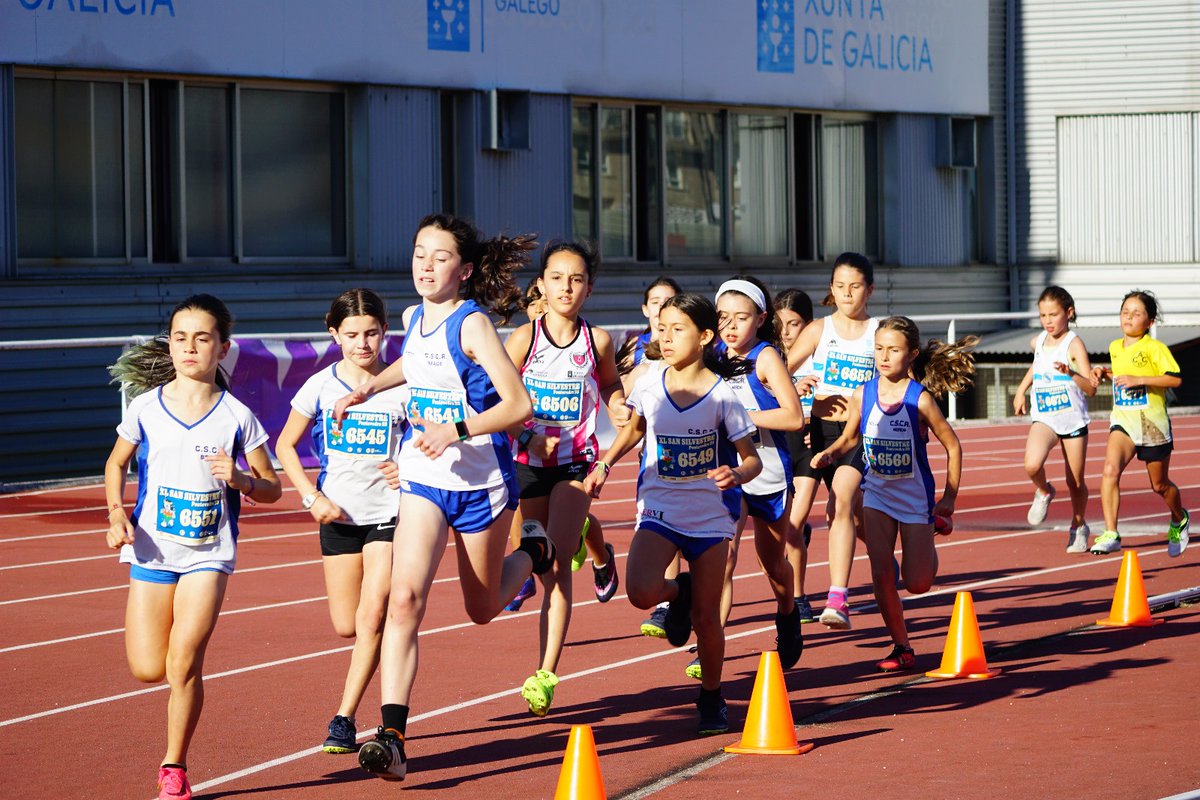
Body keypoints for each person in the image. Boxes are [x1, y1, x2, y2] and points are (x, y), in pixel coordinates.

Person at [333, 214, 555, 782]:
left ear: (466, 269)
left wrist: (456, 429)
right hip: (423, 477)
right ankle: (393, 735)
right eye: (418, 254)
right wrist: (369, 386)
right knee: (404, 600)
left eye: (439, 257)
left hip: (479, 483)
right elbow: (416, 363)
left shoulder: (474, 324)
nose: (425, 266)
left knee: (482, 610)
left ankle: (533, 551)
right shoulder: (413, 316)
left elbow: (518, 406)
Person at [103, 294, 282, 800]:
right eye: (180, 337)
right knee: (146, 668)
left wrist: (242, 480)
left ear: (222, 348)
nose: (190, 347)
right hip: (153, 553)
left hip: (209, 555)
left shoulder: (237, 417)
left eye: (202, 338)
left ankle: (173, 767)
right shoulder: (146, 408)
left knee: (184, 661)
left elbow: (273, 488)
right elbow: (117, 464)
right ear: (170, 344)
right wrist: (118, 513)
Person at [584, 293, 762, 735]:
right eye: (660, 328)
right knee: (642, 592)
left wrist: (737, 474)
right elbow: (634, 429)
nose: (664, 337)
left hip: (710, 518)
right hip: (659, 508)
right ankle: (675, 591)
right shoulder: (649, 383)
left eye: (676, 329)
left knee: (706, 620)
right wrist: (605, 464)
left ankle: (712, 699)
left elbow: (752, 459)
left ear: (704, 337)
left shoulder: (723, 396)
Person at [275, 288, 408, 754]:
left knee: (373, 618)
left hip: (390, 515)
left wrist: (405, 465)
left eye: (372, 333)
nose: (363, 343)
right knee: (346, 625)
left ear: (385, 332)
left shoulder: (402, 385)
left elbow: (427, 442)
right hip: (337, 515)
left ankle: (344, 718)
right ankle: (373, 666)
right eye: (351, 334)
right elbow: (285, 446)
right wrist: (311, 496)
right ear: (334, 334)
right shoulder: (321, 384)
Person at [504, 239, 629, 715]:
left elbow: (609, 382)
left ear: (588, 289)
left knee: (554, 566)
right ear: (542, 284)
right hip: (529, 464)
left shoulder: (597, 341)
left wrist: (616, 403)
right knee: (537, 555)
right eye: (557, 278)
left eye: (576, 279)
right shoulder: (524, 339)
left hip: (577, 464)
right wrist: (527, 434)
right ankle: (594, 549)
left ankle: (545, 672)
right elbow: (501, 395)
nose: (566, 287)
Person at [812, 316, 975, 671]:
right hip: (878, 494)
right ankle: (901, 646)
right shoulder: (863, 393)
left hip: (914, 497)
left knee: (917, 583)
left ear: (912, 354)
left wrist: (949, 497)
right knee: (882, 573)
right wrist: (831, 451)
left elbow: (953, 446)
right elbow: (851, 438)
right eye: (879, 348)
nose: (884, 356)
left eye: (894, 350)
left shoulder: (921, 400)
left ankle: (929, 538)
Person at [687, 276, 802, 681]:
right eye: (723, 317)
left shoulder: (765, 357)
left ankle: (788, 613)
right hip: (727, 473)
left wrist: (741, 421)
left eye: (741, 317)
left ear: (761, 319)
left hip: (767, 473)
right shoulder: (710, 354)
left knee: (773, 565)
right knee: (725, 559)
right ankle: (708, 646)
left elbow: (794, 416)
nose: (731, 326)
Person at [786, 253, 879, 629]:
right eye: (839, 286)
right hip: (816, 431)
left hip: (857, 434)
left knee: (840, 502)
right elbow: (775, 374)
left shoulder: (880, 331)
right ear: (831, 289)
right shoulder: (819, 330)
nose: (846, 293)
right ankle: (879, 551)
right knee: (843, 512)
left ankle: (837, 597)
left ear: (869, 290)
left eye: (854, 286)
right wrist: (795, 384)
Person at [1090, 290, 1190, 557]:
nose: (1129, 318)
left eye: (1136, 313)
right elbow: (1121, 373)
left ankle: (1179, 518)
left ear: (1150, 321)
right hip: (1123, 422)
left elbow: (1174, 379)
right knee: (1110, 469)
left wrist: (1139, 380)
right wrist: (1103, 372)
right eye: (1125, 312)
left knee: (1159, 485)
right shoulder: (1114, 347)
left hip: (1152, 426)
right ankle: (1111, 532)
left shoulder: (1155, 349)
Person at [615, 276, 683, 637]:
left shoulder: (692, 347)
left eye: (669, 301)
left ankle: (677, 600)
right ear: (645, 309)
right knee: (655, 521)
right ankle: (668, 598)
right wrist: (618, 407)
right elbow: (621, 396)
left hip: (691, 452)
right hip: (652, 451)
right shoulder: (634, 349)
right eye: (655, 302)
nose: (660, 308)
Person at [1012, 286, 1097, 552]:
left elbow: (1091, 388)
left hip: (1072, 420)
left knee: (1075, 480)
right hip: (1045, 416)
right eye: (1042, 315)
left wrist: (1070, 372)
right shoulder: (1038, 341)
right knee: (1031, 464)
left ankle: (1079, 525)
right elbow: (1037, 364)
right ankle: (1044, 490)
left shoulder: (1073, 343)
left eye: (1053, 314)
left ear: (1068, 313)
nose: (1048, 321)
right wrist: (1020, 391)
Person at [774, 287, 819, 622]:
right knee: (783, 532)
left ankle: (799, 597)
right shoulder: (769, 356)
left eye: (794, 324)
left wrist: (813, 410)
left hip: (809, 445)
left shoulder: (821, 355)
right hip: (777, 445)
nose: (787, 332)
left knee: (793, 525)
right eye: (781, 324)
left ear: (810, 324)